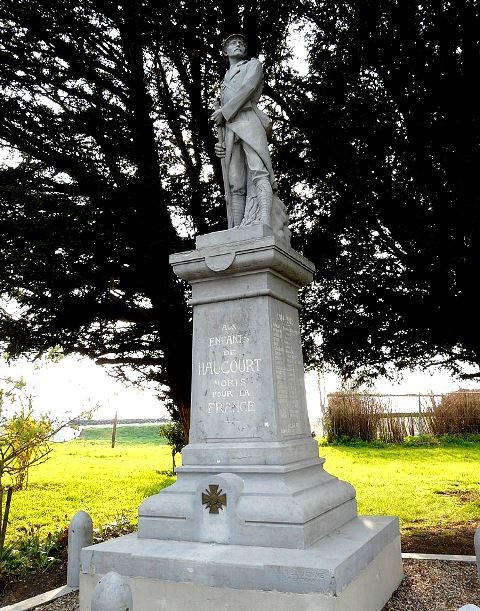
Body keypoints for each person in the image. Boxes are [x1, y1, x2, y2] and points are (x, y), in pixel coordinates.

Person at [211, 34, 280, 231]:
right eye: (233, 43)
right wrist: (220, 144)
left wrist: (223, 112)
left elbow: (248, 88)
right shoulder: (224, 80)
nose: (239, 44)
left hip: (249, 122)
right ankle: (238, 227)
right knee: (235, 182)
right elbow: (223, 120)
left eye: (242, 42)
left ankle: (265, 221)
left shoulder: (253, 65)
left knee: (259, 172)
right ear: (225, 52)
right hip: (231, 131)